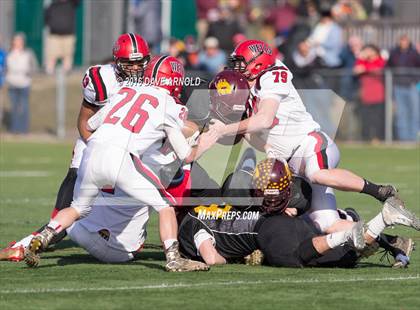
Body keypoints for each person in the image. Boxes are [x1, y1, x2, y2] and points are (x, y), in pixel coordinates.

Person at [24, 55, 217, 272]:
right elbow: (187, 155)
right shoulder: (170, 105)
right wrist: (208, 141)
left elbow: (91, 123)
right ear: (174, 81)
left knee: (77, 207)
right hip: (121, 158)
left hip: (91, 154)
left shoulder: (123, 91)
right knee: (164, 206)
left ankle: (44, 236)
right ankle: (173, 258)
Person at [208, 40, 398, 235]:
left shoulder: (272, 76)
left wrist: (225, 129)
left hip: (310, 144)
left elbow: (264, 119)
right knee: (326, 225)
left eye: (241, 63)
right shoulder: (246, 86)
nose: (237, 68)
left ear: (258, 64)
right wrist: (267, 149)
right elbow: (247, 130)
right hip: (291, 163)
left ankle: (381, 192)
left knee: (318, 174)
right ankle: (391, 242)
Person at [178, 158, 420, 268]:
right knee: (324, 237)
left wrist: (233, 257)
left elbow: (212, 258)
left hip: (269, 230)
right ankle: (359, 224)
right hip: (276, 222)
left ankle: (377, 222)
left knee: (316, 256)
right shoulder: (222, 201)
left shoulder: (192, 224)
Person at [387, 35, 420, 141]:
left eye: (405, 41)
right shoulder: (394, 53)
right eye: (402, 41)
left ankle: (414, 138)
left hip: (412, 87)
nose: (403, 43)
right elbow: (388, 66)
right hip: (398, 87)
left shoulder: (414, 53)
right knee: (401, 114)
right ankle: (404, 139)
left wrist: (415, 80)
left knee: (414, 113)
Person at [5, 33, 38, 134]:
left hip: (24, 84)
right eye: (16, 40)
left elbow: (34, 67)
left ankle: (24, 130)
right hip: (12, 83)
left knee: (24, 107)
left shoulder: (28, 53)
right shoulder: (8, 54)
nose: (17, 42)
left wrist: (29, 73)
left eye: (19, 40)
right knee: (14, 107)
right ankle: (14, 129)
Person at [354, 44, 386, 142]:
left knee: (378, 118)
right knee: (366, 119)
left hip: (379, 95)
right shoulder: (362, 61)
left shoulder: (381, 61)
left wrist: (365, 69)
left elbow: (379, 69)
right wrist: (362, 59)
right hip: (366, 95)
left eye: (370, 50)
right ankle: (366, 138)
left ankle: (378, 138)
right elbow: (356, 70)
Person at [44, 0, 80, 74]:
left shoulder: (72, 3)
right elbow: (46, 17)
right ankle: (49, 73)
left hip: (68, 35)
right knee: (51, 55)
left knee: (67, 55)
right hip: (54, 35)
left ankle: (66, 74)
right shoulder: (52, 5)